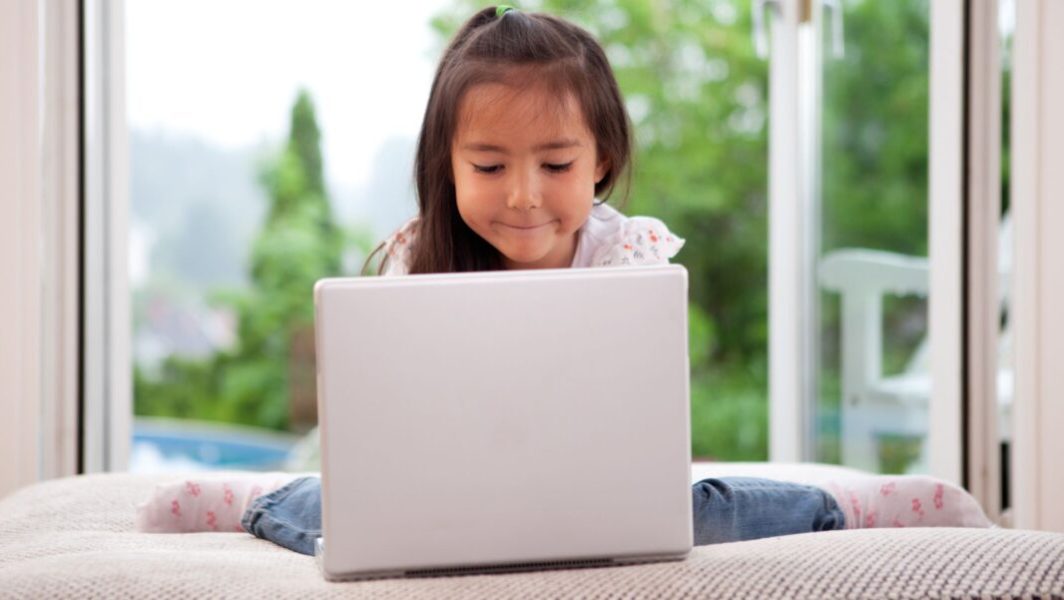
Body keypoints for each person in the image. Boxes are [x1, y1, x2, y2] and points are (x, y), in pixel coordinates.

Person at [136, 6, 991, 555]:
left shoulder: (628, 254)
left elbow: (642, 423)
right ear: (446, 166)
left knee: (709, 509)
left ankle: (863, 506)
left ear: (602, 162)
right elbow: (394, 429)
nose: (522, 196)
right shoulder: (414, 257)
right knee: (339, 516)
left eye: (555, 162)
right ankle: (250, 503)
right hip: (444, 502)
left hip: (605, 500)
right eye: (488, 163)